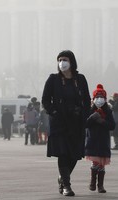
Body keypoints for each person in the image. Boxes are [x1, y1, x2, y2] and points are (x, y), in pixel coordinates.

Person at [42, 50, 91, 196]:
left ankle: (62, 178)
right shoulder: (53, 79)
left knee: (74, 155)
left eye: (64, 59)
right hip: (60, 122)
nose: (61, 62)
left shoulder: (80, 79)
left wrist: (85, 114)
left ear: (71, 62)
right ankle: (67, 186)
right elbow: (45, 100)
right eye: (59, 60)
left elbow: (87, 100)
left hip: (77, 122)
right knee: (63, 153)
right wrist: (54, 112)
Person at [85, 84, 115, 193]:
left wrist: (102, 121)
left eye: (101, 98)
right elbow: (85, 124)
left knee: (102, 164)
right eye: (97, 98)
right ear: (93, 99)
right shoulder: (89, 110)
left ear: (105, 99)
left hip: (103, 141)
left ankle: (100, 185)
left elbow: (112, 126)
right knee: (95, 163)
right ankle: (92, 182)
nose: (99, 100)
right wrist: (93, 118)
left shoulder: (108, 111)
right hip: (92, 140)